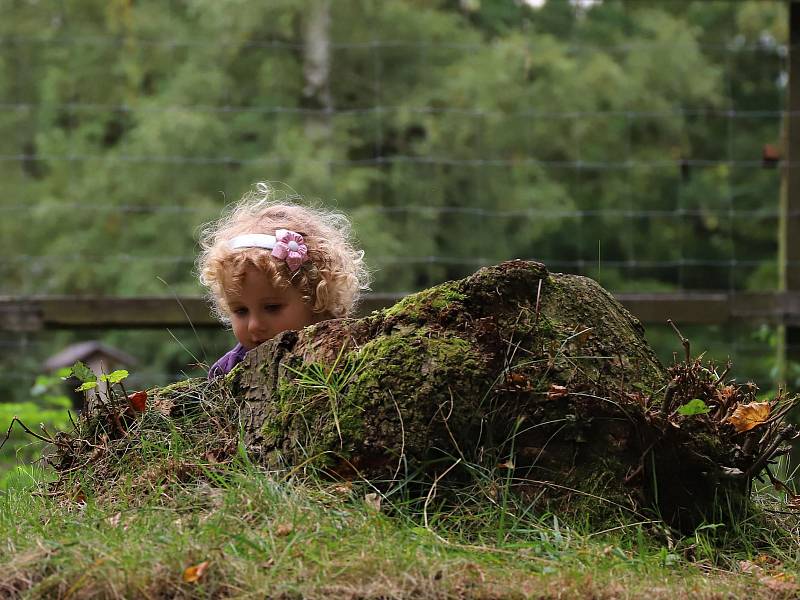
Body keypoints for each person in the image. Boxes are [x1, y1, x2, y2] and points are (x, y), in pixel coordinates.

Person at [197, 183, 369, 379]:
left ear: (316, 298)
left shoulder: (347, 355)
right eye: (241, 311)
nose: (253, 325)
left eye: (271, 307)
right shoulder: (228, 372)